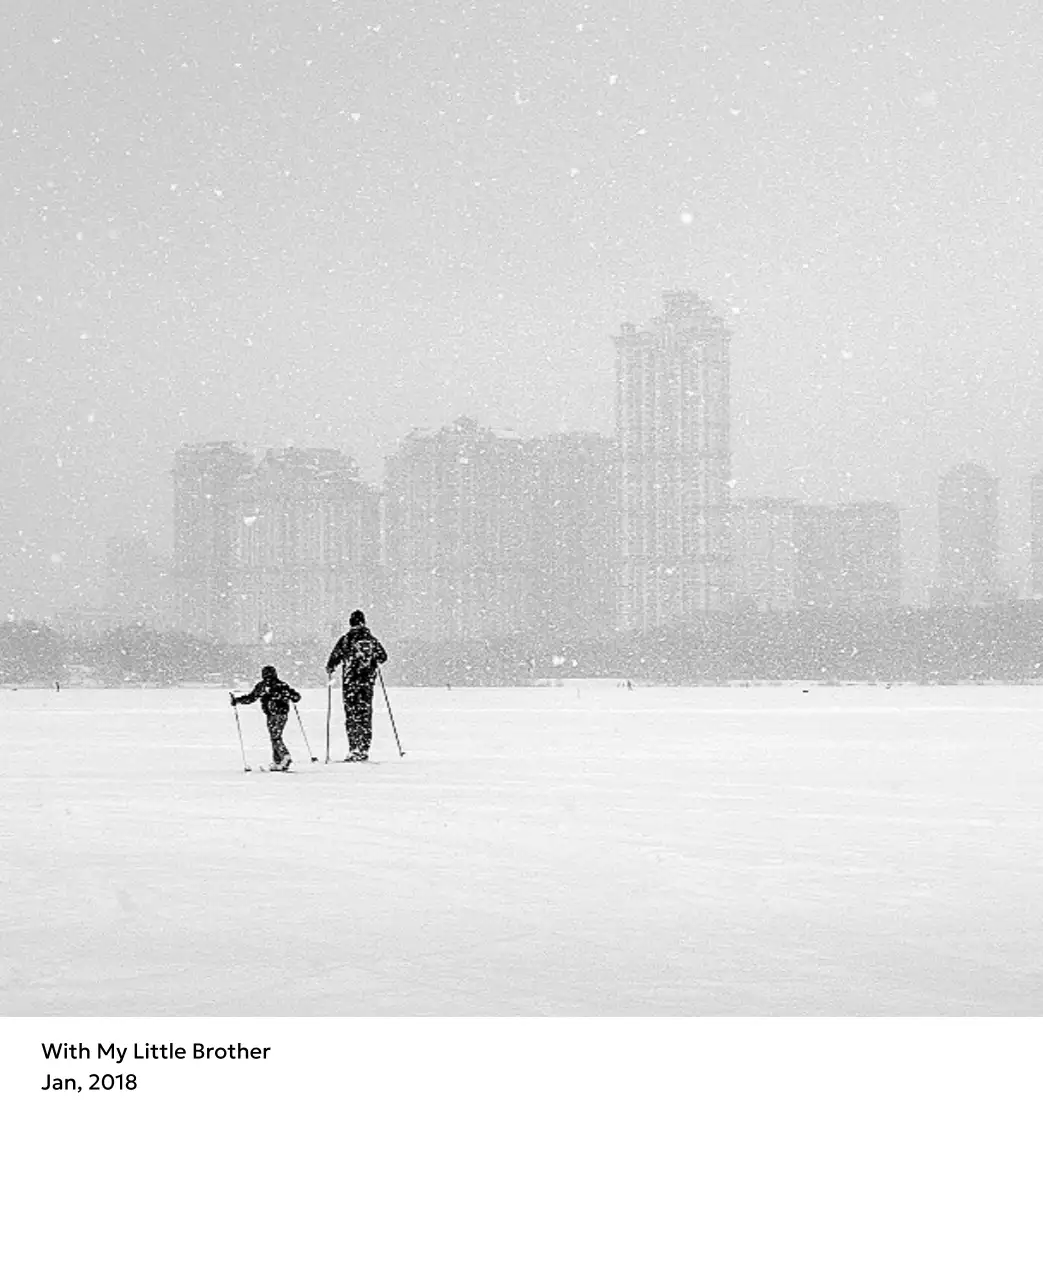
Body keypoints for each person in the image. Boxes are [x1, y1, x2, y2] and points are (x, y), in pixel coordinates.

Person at [326, 610, 388, 761]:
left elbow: (334, 658)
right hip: (367, 683)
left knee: (352, 716)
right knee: (365, 716)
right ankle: (364, 748)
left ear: (350, 623)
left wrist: (331, 667)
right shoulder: (371, 640)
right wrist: (372, 662)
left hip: (351, 683)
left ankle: (354, 748)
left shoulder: (346, 639)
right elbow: (383, 657)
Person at [231, 665, 301, 771]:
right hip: (282, 714)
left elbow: (251, 698)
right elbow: (296, 697)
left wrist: (238, 700)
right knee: (275, 736)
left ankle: (285, 756)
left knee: (275, 737)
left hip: (272, 714)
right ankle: (277, 762)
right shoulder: (282, 685)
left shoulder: (263, 686)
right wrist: (287, 696)